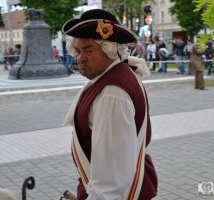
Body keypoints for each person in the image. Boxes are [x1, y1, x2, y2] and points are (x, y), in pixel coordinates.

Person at [62, 9, 158, 200]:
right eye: (79, 51)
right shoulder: (109, 77)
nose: (81, 58)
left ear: (110, 49)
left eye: (89, 50)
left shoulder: (112, 94)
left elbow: (110, 180)